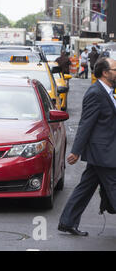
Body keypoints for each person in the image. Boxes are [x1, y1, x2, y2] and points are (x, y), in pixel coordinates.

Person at [58, 57, 116, 236]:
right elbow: (86, 124)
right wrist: (76, 151)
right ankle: (67, 221)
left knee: (85, 187)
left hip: (104, 150)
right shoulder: (95, 92)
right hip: (103, 152)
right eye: (115, 69)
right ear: (105, 73)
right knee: (114, 187)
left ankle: (67, 222)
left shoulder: (109, 91)